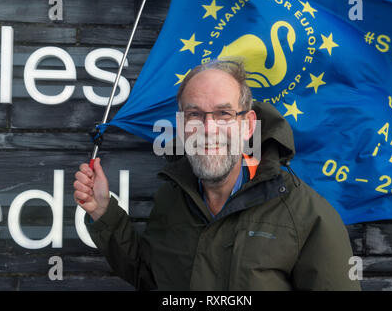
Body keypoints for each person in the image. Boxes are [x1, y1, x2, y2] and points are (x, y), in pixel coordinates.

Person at [73, 59, 361, 291]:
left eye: (223, 114)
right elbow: (151, 277)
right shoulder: (172, 198)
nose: (208, 128)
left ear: (248, 125)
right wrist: (103, 213)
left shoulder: (306, 216)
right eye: (195, 114)